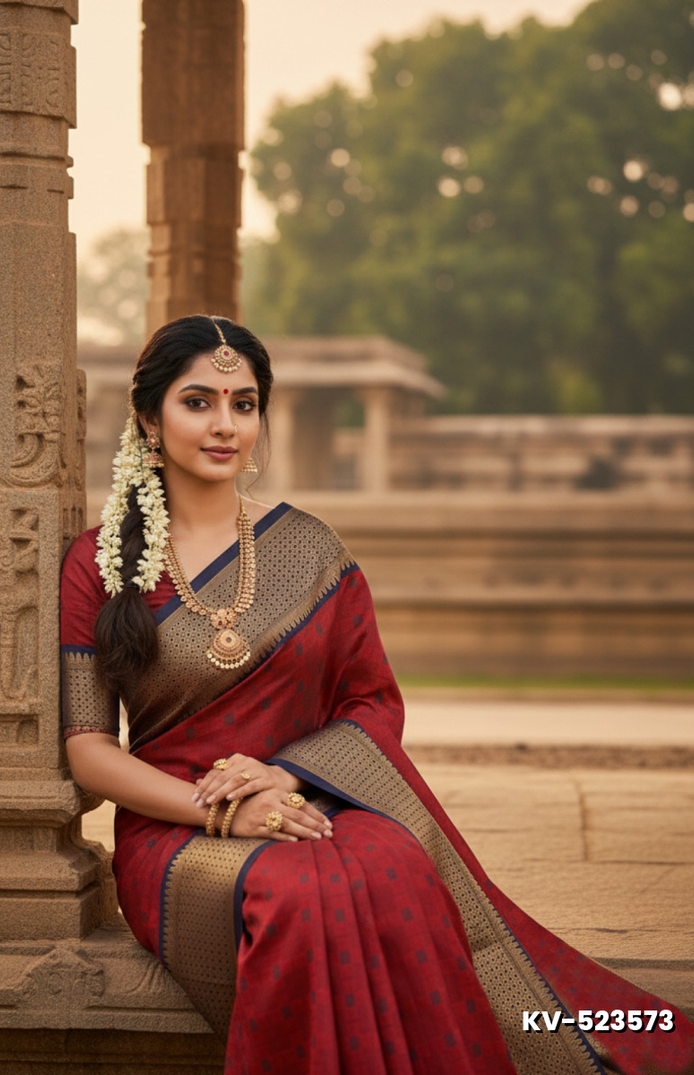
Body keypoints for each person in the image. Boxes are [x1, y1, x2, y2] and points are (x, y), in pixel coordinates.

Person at [61, 315, 692, 1075]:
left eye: (245, 402)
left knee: (393, 857)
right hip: (175, 830)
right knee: (296, 898)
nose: (225, 424)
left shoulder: (313, 550)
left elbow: (371, 704)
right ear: (149, 418)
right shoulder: (96, 564)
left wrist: (285, 776)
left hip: (307, 802)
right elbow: (89, 751)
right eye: (199, 401)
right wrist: (221, 807)